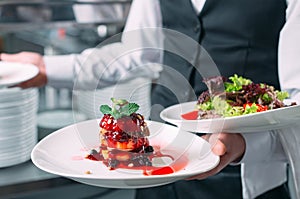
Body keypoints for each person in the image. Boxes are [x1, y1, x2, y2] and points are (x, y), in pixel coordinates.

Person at [1, 0, 300, 198]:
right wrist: (44, 67)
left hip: (241, 179)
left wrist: (245, 145)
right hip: (155, 172)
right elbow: (132, 51)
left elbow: (297, 105)